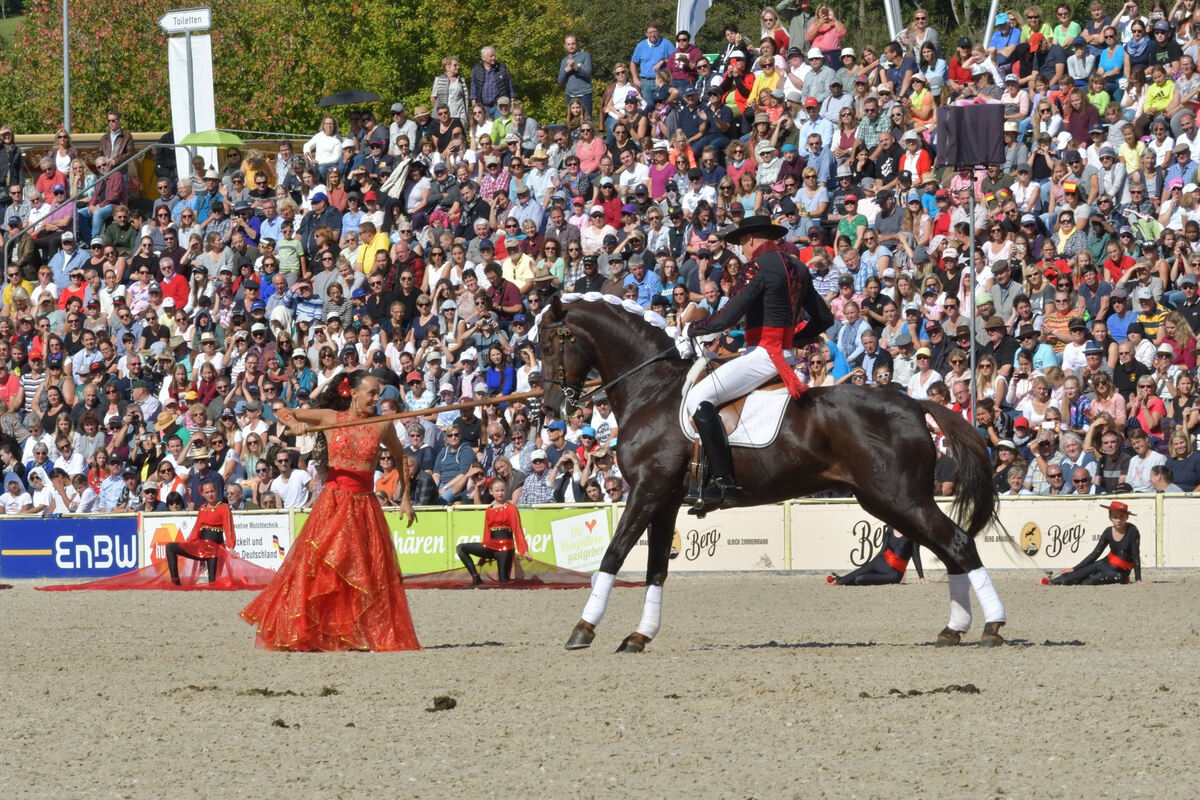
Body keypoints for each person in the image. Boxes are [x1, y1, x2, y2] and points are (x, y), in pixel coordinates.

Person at [241, 371, 420, 651]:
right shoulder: (329, 418)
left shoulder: (383, 424)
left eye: (378, 393)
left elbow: (400, 456)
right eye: (371, 393)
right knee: (323, 567)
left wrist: (406, 497)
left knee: (363, 571)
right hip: (334, 502)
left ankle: (355, 634)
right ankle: (317, 632)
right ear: (354, 393)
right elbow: (284, 412)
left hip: (364, 503)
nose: (376, 398)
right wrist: (294, 423)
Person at [684, 214, 834, 512]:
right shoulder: (798, 266)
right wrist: (795, 337)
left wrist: (694, 329)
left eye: (742, 244)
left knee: (698, 398)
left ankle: (723, 481)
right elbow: (824, 318)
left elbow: (726, 317)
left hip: (763, 356)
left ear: (751, 240)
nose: (743, 250)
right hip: (784, 354)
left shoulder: (757, 267)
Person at [455, 477, 532, 585]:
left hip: (505, 548)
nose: (500, 493)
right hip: (490, 546)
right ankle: (476, 578)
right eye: (497, 491)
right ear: (491, 492)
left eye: (502, 490)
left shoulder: (511, 508)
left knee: (503, 581)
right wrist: (483, 556)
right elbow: (487, 532)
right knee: (461, 548)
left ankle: (498, 578)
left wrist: (524, 550)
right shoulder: (489, 509)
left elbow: (517, 529)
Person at [1049, 500, 1142, 585]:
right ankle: (1048, 581)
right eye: (1115, 517)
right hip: (1104, 564)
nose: (1118, 520)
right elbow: (1095, 554)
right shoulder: (1108, 531)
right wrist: (1074, 568)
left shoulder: (1132, 530)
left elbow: (1135, 555)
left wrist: (1138, 579)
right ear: (1110, 517)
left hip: (1120, 572)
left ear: (1127, 517)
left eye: (1121, 517)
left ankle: (1125, 580)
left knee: (1088, 581)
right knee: (1069, 578)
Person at [163, 479, 235, 586]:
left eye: (212, 491)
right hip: (200, 547)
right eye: (207, 492)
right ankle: (175, 582)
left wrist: (231, 547)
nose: (210, 494)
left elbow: (229, 528)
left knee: (213, 583)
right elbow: (197, 529)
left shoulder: (224, 508)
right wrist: (188, 545)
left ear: (217, 491)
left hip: (214, 550)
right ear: (202, 494)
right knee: (170, 547)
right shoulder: (202, 508)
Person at [829, 526, 925, 585]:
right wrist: (871, 564)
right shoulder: (890, 529)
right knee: (859, 571)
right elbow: (882, 551)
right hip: (880, 562)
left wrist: (922, 578)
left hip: (893, 573)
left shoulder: (913, 533)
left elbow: (916, 555)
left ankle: (841, 581)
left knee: (860, 579)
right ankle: (838, 581)